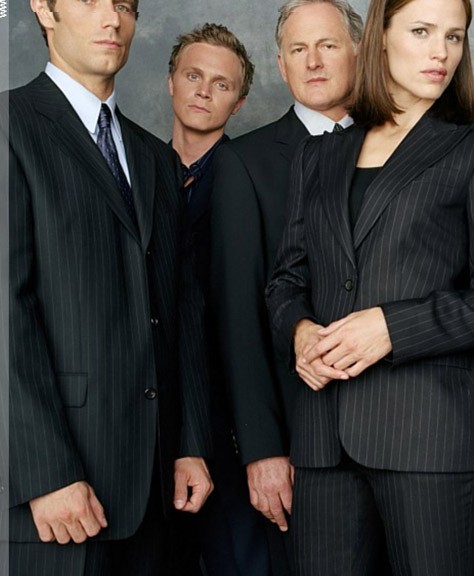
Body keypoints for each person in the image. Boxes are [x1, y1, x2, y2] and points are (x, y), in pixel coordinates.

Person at [264, 0, 474, 572]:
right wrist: (300, 331)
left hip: (430, 438)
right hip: (323, 440)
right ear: (381, 36)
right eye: (422, 31)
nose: (441, 52)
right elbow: (286, 280)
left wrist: (392, 327)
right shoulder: (318, 155)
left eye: (454, 37)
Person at [7, 1, 213, 574]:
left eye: (124, 5)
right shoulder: (9, 125)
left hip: (156, 491)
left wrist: (191, 442)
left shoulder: (156, 158)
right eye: (91, 1)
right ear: (43, 9)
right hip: (51, 495)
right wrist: (45, 473)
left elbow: (182, 309)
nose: (112, 19)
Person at [206, 2, 363, 572]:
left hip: (403, 432)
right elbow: (237, 320)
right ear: (281, 64)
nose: (313, 61)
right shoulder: (243, 164)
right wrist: (263, 448)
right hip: (297, 443)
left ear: (358, 53)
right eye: (299, 49)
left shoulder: (399, 147)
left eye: (328, 45)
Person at [162, 22, 263, 576]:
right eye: (193, 76)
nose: (203, 91)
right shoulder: (135, 170)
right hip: (151, 419)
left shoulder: (251, 176)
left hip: (230, 424)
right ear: (170, 83)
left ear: (239, 102)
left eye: (221, 84)